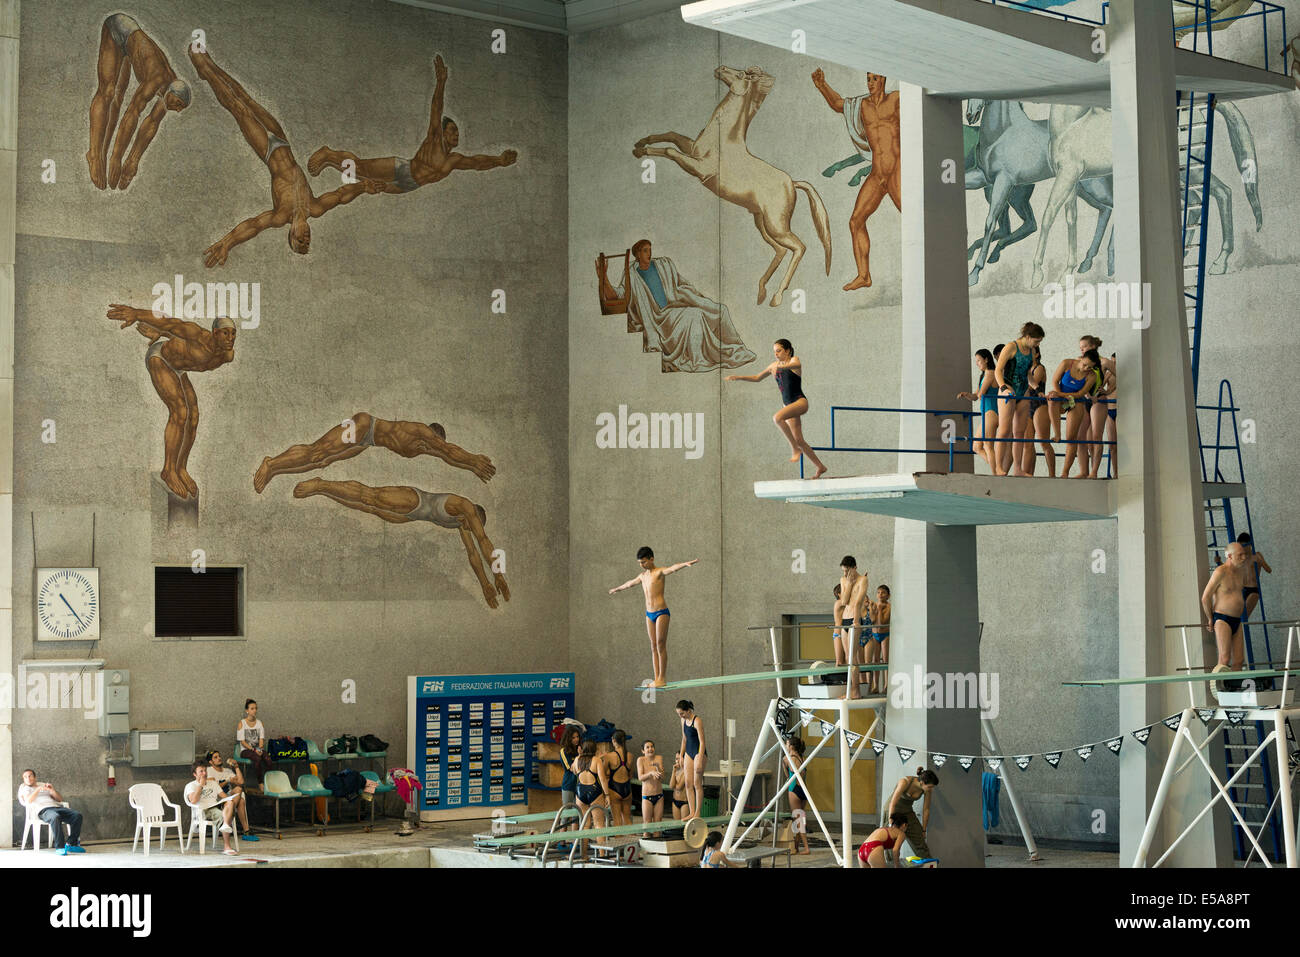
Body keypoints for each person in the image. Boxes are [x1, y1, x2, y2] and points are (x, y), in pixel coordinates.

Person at [189, 45, 383, 267]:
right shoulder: (315, 207)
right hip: (283, 142)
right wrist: (363, 187)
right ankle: (210, 66)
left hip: (268, 151)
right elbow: (340, 195)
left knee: (238, 108)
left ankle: (205, 73)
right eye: (308, 239)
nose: (306, 237)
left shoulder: (281, 215)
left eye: (300, 240)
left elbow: (254, 225)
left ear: (291, 235)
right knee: (246, 98)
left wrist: (228, 242)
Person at [308, 54, 517, 195]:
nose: (456, 135)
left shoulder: (454, 160)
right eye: (452, 130)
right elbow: (436, 107)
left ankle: (330, 162)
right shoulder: (435, 139)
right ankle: (328, 153)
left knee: (361, 178)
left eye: (457, 132)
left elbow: (477, 163)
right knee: (361, 167)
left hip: (410, 185)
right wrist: (441, 82)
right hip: (403, 169)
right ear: (442, 133)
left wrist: (499, 160)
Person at [292, 479, 510, 609]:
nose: (468, 528)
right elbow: (483, 540)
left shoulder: (462, 525)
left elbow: (472, 553)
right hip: (414, 500)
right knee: (370, 496)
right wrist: (498, 574)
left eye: (469, 527)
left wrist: (485, 585)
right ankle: (320, 483)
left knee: (367, 508)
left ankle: (322, 491)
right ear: (475, 516)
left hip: (413, 515)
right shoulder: (465, 506)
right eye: (471, 524)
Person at [106, 304, 236, 500]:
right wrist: (136, 313)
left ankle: (181, 467)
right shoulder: (199, 335)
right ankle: (168, 470)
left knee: (193, 417)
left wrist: (158, 333)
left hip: (178, 369)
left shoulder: (227, 356)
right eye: (225, 333)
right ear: (215, 333)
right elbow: (170, 323)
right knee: (180, 412)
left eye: (233, 334)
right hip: (161, 359)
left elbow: (179, 343)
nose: (230, 339)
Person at [596, 241, 757, 373]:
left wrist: (691, 296)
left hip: (675, 306)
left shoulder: (663, 265)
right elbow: (617, 294)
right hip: (659, 318)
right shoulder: (632, 274)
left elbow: (681, 283)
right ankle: (698, 359)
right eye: (645, 250)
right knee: (694, 316)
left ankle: (735, 347)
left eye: (650, 250)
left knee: (720, 310)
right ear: (637, 254)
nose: (649, 253)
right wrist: (603, 277)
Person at [809, 70, 900, 291]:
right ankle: (864, 276)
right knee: (855, 221)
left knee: (916, 219)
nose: (870, 83)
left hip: (897, 169)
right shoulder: (863, 106)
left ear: (884, 79)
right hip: (877, 174)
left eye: (875, 79)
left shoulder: (896, 99)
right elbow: (838, 104)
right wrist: (822, 85)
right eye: (868, 79)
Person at [255, 415, 495, 493]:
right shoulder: (421, 431)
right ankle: (271, 462)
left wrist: (471, 468)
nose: (431, 449)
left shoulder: (426, 448)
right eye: (433, 443)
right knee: (319, 450)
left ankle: (275, 470)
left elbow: (447, 456)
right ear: (431, 435)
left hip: (366, 442)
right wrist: (474, 459)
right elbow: (450, 450)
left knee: (322, 461)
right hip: (365, 426)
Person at [87, 13, 190, 190]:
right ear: (173, 92)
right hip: (118, 29)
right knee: (108, 92)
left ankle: (105, 154)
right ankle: (95, 154)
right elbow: (132, 114)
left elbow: (151, 123)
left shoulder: (168, 91)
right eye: (179, 104)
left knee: (119, 98)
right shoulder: (157, 80)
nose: (177, 110)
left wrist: (133, 160)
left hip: (131, 47)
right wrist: (117, 158)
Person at [726, 339, 828, 478]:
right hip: (788, 405)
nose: (776, 354)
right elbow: (757, 377)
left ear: (787, 350)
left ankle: (794, 449)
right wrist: (739, 377)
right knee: (799, 439)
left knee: (777, 418)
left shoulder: (793, 361)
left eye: (779, 351)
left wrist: (781, 367)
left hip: (799, 402)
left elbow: (797, 364)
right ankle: (820, 466)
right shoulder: (774, 365)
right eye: (774, 352)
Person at [608, 547, 698, 687]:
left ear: (651, 559)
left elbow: (672, 568)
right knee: (653, 646)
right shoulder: (642, 576)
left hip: (661, 612)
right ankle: (656, 678)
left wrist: (684, 564)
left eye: (644, 562)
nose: (642, 565)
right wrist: (617, 589)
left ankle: (662, 678)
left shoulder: (658, 572)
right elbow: (629, 583)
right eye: (640, 563)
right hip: (649, 614)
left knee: (661, 644)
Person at [992, 323, 1045, 476]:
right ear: (1027, 337)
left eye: (1039, 342)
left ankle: (1018, 469)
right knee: (1004, 431)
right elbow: (998, 370)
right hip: (1008, 389)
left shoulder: (1031, 350)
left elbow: (1028, 374)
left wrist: (1037, 388)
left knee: (1019, 433)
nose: (1038, 344)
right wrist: (1003, 388)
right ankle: (998, 467)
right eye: (1036, 341)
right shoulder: (1010, 347)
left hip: (1023, 391)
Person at [1049, 348, 1104, 479]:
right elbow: (1055, 381)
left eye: (1089, 367)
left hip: (1076, 401)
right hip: (1062, 398)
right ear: (1081, 358)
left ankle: (1065, 472)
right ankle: (1057, 433)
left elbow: (1080, 394)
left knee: (1072, 439)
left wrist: (1062, 395)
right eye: (1084, 364)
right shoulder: (1067, 363)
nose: (1085, 368)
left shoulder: (1092, 375)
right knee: (1051, 399)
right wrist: (1059, 396)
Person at [1202, 541, 1251, 686]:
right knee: (1224, 659)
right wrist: (1210, 618)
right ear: (1229, 556)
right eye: (1240, 555)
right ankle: (1219, 693)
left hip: (1237, 619)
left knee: (1238, 660)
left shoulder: (1241, 572)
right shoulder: (1220, 572)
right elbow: (1205, 597)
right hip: (1222, 619)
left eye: (1244, 554)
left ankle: (1234, 693)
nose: (1243, 557)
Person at [18, 770, 85, 854]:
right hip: (43, 810)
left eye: (30, 776)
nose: (28, 778)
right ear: (23, 779)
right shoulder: (25, 788)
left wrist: (52, 790)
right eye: (25, 777)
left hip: (56, 807)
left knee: (77, 815)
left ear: (34, 777)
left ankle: (71, 844)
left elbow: (59, 799)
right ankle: (60, 847)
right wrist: (37, 790)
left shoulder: (43, 786)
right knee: (55, 817)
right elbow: (28, 801)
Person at [957, 349, 998, 470]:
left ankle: (996, 474)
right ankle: (995, 469)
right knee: (976, 447)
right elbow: (976, 396)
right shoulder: (984, 375)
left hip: (991, 411)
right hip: (986, 412)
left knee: (988, 445)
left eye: (979, 360)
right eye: (976, 361)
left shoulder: (990, 373)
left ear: (986, 359)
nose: (977, 363)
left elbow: (981, 394)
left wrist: (976, 394)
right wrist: (967, 395)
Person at [185, 760, 237, 855]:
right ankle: (227, 847)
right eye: (201, 771)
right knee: (223, 816)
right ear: (194, 774)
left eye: (205, 770)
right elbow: (193, 801)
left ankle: (225, 824)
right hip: (203, 810)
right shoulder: (191, 785)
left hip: (216, 806)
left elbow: (224, 797)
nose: (204, 773)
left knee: (229, 803)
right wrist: (200, 785)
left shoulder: (212, 783)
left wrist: (231, 801)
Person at [837, 556, 870, 700]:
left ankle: (856, 690)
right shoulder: (844, 580)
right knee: (847, 657)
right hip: (845, 619)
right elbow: (844, 601)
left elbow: (858, 602)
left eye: (847, 571)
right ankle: (851, 689)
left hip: (855, 621)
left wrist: (856, 621)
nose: (845, 574)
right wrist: (849, 584)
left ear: (854, 567)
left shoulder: (863, 580)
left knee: (853, 657)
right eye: (843, 571)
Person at [207, 750, 258, 840]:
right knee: (241, 801)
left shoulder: (227, 771)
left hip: (229, 798)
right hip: (217, 799)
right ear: (211, 762)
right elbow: (214, 787)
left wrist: (236, 766)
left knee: (239, 789)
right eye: (215, 757)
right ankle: (245, 830)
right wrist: (228, 781)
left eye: (219, 756)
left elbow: (241, 782)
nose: (219, 758)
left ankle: (229, 818)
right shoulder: (209, 771)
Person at [888, 768, 938, 860]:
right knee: (890, 841)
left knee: (920, 842)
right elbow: (892, 803)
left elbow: (926, 809)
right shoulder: (905, 782)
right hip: (893, 811)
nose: (931, 789)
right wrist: (891, 823)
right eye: (930, 787)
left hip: (907, 812)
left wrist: (923, 830)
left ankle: (928, 864)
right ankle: (890, 864)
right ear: (922, 782)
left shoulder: (927, 790)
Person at [1022, 348, 1056, 478]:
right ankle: (1028, 474)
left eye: (1030, 352)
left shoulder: (1039, 368)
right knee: (1028, 444)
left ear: (1037, 354)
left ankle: (1052, 475)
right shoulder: (1027, 369)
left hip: (1039, 406)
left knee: (1044, 442)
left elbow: (1029, 386)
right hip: (1027, 407)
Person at [573, 741, 608, 856]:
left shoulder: (577, 759)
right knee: (599, 824)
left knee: (585, 824)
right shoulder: (596, 760)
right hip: (594, 791)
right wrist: (607, 795)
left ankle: (584, 855)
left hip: (580, 791)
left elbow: (573, 771)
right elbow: (602, 779)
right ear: (595, 749)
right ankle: (602, 854)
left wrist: (579, 755)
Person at [676, 700, 707, 819]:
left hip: (699, 751)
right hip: (689, 751)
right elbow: (684, 739)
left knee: (696, 783)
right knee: (688, 783)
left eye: (682, 713)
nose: (680, 716)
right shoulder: (683, 720)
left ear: (688, 711)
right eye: (679, 713)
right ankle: (692, 812)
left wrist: (700, 758)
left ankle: (698, 812)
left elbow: (703, 742)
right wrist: (681, 756)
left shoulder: (697, 721)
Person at [781, 737, 811, 855]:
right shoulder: (802, 758)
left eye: (786, 744)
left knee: (798, 820)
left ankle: (807, 848)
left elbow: (788, 775)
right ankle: (796, 846)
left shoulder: (787, 759)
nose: (785, 745)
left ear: (791, 746)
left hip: (794, 789)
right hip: (803, 790)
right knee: (799, 818)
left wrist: (787, 764)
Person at [601, 730, 634, 827]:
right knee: (627, 819)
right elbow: (631, 774)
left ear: (613, 740)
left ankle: (619, 840)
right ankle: (630, 839)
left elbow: (602, 774)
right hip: (627, 789)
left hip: (614, 789)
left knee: (617, 819)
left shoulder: (609, 756)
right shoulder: (630, 756)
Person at [1237, 532, 1272, 622]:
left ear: (1249, 544)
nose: (1242, 549)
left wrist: (1261, 561)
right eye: (1240, 546)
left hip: (1253, 590)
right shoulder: (1239, 557)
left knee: (1243, 618)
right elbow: (1228, 570)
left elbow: (1269, 570)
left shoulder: (1256, 556)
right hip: (1241, 589)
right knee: (1234, 617)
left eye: (1244, 546)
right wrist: (1219, 562)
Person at [236, 699, 272, 786]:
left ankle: (268, 781)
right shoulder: (242, 723)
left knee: (268, 759)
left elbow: (261, 739)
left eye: (256, 708)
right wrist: (253, 749)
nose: (254, 710)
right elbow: (242, 742)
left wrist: (259, 749)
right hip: (246, 750)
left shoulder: (259, 723)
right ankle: (260, 783)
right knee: (257, 759)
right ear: (247, 710)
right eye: (252, 708)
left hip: (257, 749)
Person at [638, 739, 666, 833]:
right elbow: (640, 777)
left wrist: (657, 767)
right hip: (647, 797)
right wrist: (650, 773)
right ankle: (646, 846)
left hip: (659, 796)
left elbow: (662, 777)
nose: (650, 749)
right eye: (647, 747)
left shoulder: (659, 758)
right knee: (647, 824)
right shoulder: (640, 760)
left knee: (658, 824)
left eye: (652, 747)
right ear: (643, 751)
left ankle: (656, 846)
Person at [868, 584, 892, 696]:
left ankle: (887, 685)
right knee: (875, 660)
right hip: (875, 635)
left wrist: (880, 610)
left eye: (883, 593)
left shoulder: (888, 607)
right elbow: (872, 620)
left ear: (888, 595)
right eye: (878, 592)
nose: (880, 595)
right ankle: (876, 685)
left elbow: (883, 621)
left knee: (886, 660)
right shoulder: (875, 605)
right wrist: (873, 609)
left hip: (885, 635)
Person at [558, 727, 582, 815]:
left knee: (577, 815)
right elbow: (572, 768)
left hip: (579, 785)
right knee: (566, 815)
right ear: (568, 738)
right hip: (568, 785)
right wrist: (580, 755)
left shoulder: (580, 749)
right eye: (573, 738)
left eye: (577, 737)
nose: (576, 739)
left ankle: (575, 829)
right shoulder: (563, 751)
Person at [669, 754, 689, 820]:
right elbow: (671, 786)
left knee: (683, 825)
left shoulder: (687, 772)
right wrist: (673, 771)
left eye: (679, 759)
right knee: (676, 824)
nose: (677, 761)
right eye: (676, 759)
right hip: (675, 801)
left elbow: (679, 787)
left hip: (684, 802)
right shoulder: (677, 771)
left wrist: (674, 784)